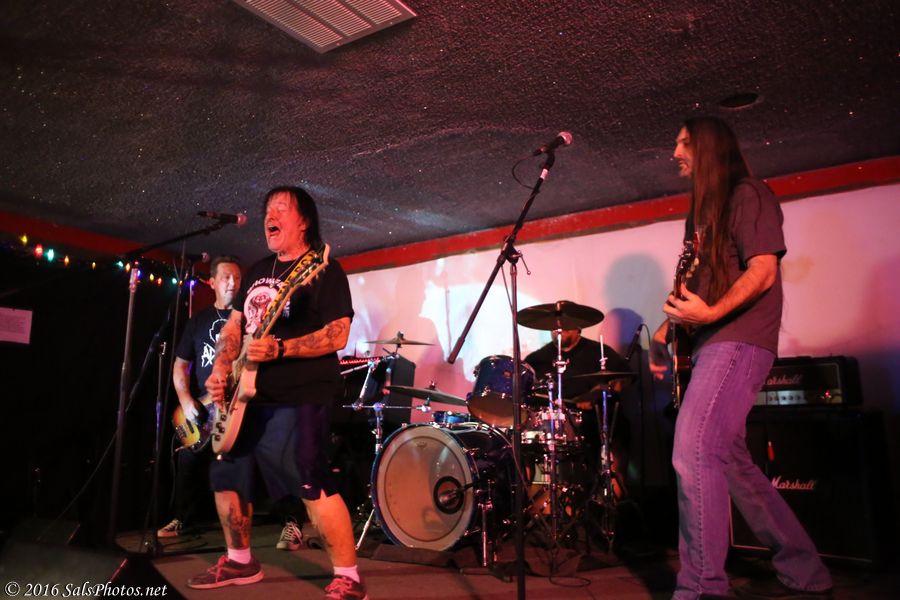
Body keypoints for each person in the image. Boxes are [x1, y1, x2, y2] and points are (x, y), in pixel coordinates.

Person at [648, 117, 831, 600]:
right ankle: (805, 569)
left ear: (708, 147)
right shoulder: (701, 213)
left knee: (692, 450)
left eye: (684, 143)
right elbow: (702, 285)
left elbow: (763, 270)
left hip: (739, 341)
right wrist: (667, 330)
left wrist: (710, 314)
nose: (675, 153)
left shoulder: (747, 193)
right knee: (732, 462)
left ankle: (703, 588)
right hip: (715, 343)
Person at [187, 186, 366, 600]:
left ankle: (349, 577)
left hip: (301, 391)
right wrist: (221, 370)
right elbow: (234, 327)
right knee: (227, 473)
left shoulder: (322, 269)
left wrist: (283, 348)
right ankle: (240, 560)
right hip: (246, 394)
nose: (270, 215)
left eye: (281, 209)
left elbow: (338, 334)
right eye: (268, 209)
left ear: (304, 222)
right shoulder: (257, 270)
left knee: (310, 476)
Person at [158, 255, 242, 539]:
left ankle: (273, 521)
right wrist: (185, 399)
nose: (232, 283)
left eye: (237, 278)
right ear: (212, 282)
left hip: (237, 405)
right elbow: (180, 365)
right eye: (226, 277)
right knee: (188, 461)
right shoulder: (198, 321)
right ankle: (182, 517)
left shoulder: (247, 321)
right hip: (204, 407)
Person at [524, 326, 630, 491]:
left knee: (617, 433)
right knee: (526, 442)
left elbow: (625, 379)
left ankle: (612, 497)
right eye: (555, 326)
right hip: (550, 429)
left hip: (594, 422)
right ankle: (537, 496)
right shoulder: (536, 360)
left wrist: (596, 392)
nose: (559, 329)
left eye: (566, 324)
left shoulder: (598, 351)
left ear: (578, 327)